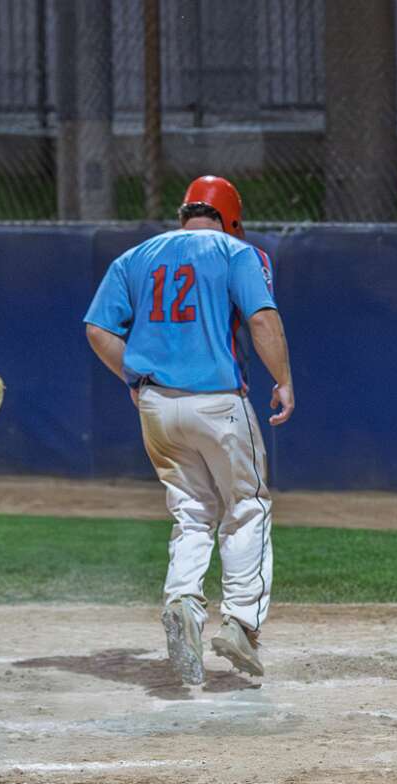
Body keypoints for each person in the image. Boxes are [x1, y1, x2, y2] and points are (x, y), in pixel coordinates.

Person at [84, 175, 294, 683]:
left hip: (157, 405)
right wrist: (284, 380)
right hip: (218, 401)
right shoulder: (238, 252)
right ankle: (241, 622)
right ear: (231, 219)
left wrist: (133, 378)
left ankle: (182, 600)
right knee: (247, 505)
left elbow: (98, 329)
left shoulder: (135, 256)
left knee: (192, 512)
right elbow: (262, 321)